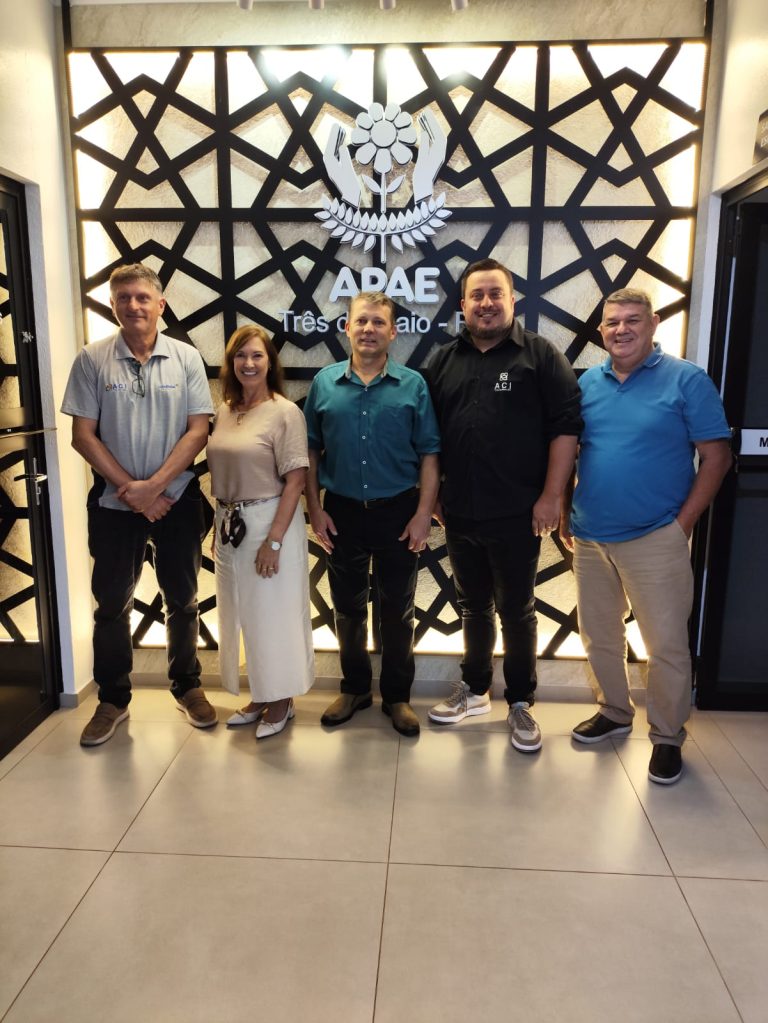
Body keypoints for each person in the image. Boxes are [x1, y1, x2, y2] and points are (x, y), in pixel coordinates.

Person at [563, 288, 731, 784]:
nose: (622, 330)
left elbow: (717, 457)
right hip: (590, 536)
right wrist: (566, 511)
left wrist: (683, 525)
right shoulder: (587, 383)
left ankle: (667, 736)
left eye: (632, 320)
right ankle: (615, 711)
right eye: (612, 322)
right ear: (601, 331)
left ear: (653, 324)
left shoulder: (687, 380)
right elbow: (573, 452)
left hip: (656, 535)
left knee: (666, 645)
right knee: (599, 636)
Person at [425, 258, 582, 752]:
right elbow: (429, 437)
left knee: (516, 610)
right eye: (477, 295)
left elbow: (566, 429)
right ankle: (475, 690)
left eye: (496, 293)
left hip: (519, 511)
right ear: (463, 304)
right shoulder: (443, 361)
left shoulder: (540, 356)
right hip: (460, 510)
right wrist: (434, 496)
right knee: (473, 606)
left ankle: (519, 701)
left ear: (513, 300)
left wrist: (552, 497)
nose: (486, 303)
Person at [61, 263, 216, 746]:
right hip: (114, 504)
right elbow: (82, 436)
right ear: (113, 305)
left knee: (183, 599)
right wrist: (133, 489)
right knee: (112, 605)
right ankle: (113, 699)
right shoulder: (92, 359)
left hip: (177, 501)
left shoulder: (186, 358)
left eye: (142, 297)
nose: (133, 305)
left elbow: (199, 430)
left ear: (160, 305)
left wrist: (157, 488)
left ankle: (187, 686)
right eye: (123, 298)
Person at [304, 291, 441, 737]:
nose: (369, 329)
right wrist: (314, 509)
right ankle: (355, 689)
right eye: (361, 321)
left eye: (378, 322)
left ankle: (398, 696)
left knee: (397, 609)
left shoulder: (413, 385)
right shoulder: (325, 384)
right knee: (347, 608)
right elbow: (309, 452)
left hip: (399, 511)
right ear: (347, 327)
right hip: (341, 512)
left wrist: (423, 513)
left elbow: (430, 453)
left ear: (393, 332)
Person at [208, 325, 314, 738]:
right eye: (240, 356)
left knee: (274, 615)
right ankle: (260, 693)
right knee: (243, 614)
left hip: (270, 522)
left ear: (270, 363)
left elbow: (296, 481)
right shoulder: (224, 410)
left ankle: (282, 699)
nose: (248, 363)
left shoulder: (284, 412)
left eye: (257, 355)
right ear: (230, 363)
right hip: (229, 523)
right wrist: (216, 527)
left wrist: (273, 540)